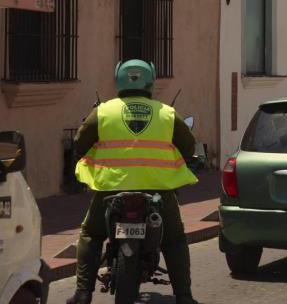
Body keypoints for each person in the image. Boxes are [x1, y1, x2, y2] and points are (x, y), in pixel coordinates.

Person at [67, 60, 199, 304]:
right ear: (151, 80)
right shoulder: (167, 113)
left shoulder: (104, 111)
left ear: (118, 79)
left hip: (111, 190)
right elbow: (188, 146)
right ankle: (184, 296)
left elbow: (80, 142)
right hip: (159, 190)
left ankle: (83, 293)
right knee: (174, 239)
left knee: (90, 234)